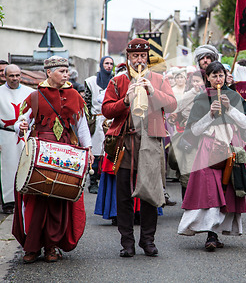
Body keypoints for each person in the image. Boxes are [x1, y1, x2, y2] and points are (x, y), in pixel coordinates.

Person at [13, 56, 93, 263]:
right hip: (40, 152)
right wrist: (19, 126)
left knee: (58, 200)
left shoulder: (74, 95)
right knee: (36, 200)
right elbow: (22, 119)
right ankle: (31, 247)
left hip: (65, 151)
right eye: (61, 71)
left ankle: (51, 247)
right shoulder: (35, 96)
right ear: (49, 72)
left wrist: (89, 149)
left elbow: (81, 126)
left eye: (67, 71)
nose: (66, 74)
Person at [101, 38, 177, 258]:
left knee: (150, 194)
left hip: (151, 142)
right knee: (123, 195)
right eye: (135, 56)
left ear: (147, 58)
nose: (139, 60)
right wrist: (125, 100)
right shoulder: (118, 81)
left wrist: (153, 91)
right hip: (126, 142)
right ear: (128, 58)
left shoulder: (159, 79)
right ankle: (127, 243)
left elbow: (172, 104)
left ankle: (148, 240)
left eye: (143, 56)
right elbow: (106, 110)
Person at [178, 61, 246, 251]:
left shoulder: (234, 96)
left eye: (221, 75)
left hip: (230, 146)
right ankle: (210, 234)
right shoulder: (201, 99)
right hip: (208, 148)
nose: (218, 79)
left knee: (227, 190)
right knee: (211, 191)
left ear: (226, 76)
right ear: (207, 79)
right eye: (214, 76)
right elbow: (194, 130)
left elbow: (245, 123)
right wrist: (210, 114)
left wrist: (230, 109)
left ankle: (217, 232)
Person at [0, 65, 33, 214]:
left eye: (17, 75)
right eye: (11, 76)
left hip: (26, 135)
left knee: (26, 166)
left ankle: (26, 199)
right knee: (7, 168)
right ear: (5, 76)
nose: (14, 78)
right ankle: (9, 202)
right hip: (5, 134)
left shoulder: (31, 93)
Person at [84, 56, 115, 194]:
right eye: (106, 63)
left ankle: (106, 180)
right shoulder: (90, 82)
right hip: (96, 121)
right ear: (101, 65)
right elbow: (87, 104)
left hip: (112, 121)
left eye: (111, 64)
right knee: (96, 153)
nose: (109, 66)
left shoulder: (116, 81)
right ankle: (93, 181)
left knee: (110, 151)